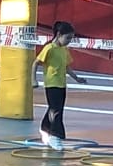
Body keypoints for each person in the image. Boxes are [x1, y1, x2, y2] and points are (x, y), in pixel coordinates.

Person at [33, 20, 86, 151]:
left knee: (56, 108)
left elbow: (67, 67)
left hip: (62, 84)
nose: (69, 41)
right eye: (67, 38)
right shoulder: (49, 48)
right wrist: (34, 80)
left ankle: (45, 128)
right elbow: (35, 63)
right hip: (51, 84)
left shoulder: (64, 50)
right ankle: (54, 136)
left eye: (71, 39)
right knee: (56, 110)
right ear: (58, 35)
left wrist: (76, 78)